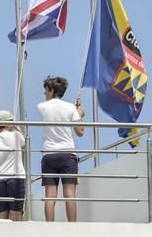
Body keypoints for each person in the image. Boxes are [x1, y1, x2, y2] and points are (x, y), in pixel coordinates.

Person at [37, 76, 85, 222]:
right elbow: (80, 132)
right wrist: (79, 114)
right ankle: (72, 227)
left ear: (51, 90)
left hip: (49, 154)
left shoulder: (42, 106)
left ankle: (50, 228)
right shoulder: (70, 108)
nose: (44, 94)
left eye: (46, 90)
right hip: (68, 154)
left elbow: (54, 110)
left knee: (50, 195)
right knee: (70, 194)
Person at [0, 110, 26, 221]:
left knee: (1, 219)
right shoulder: (17, 136)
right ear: (8, 123)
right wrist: (18, 127)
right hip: (16, 179)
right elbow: (24, 143)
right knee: (16, 217)